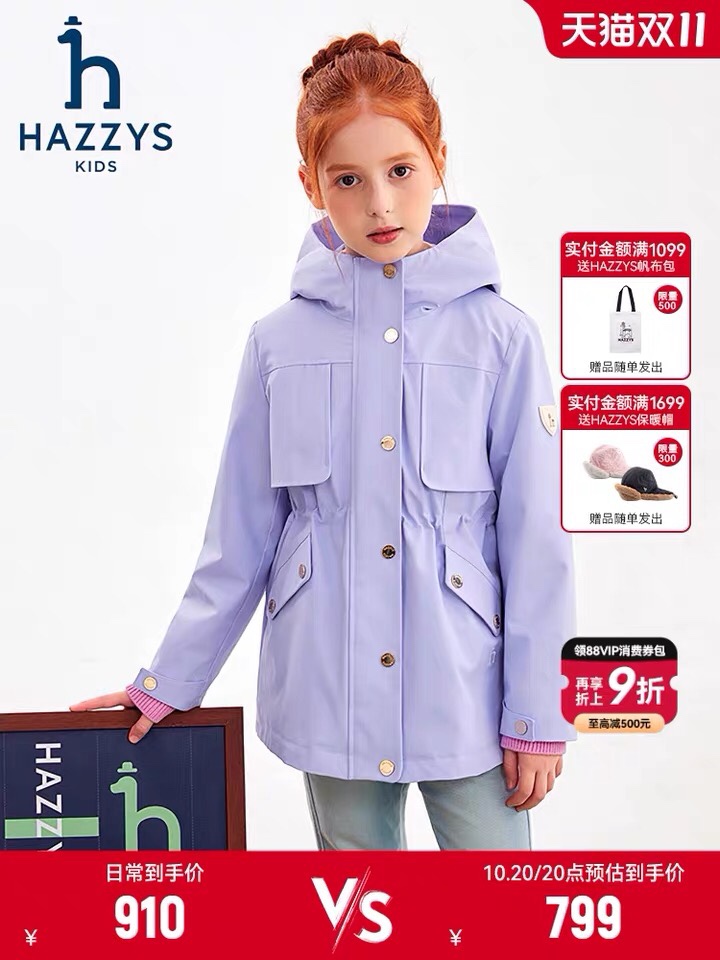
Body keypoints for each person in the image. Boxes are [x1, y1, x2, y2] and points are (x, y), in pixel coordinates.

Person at [70, 31, 577, 850]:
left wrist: (538, 713)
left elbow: (536, 541)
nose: (380, 205)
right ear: (310, 184)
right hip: (327, 690)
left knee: (498, 905)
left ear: (439, 160)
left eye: (400, 170)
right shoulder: (278, 344)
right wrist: (167, 682)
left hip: (468, 689)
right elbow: (239, 539)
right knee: (356, 906)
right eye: (348, 179)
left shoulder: (501, 339)